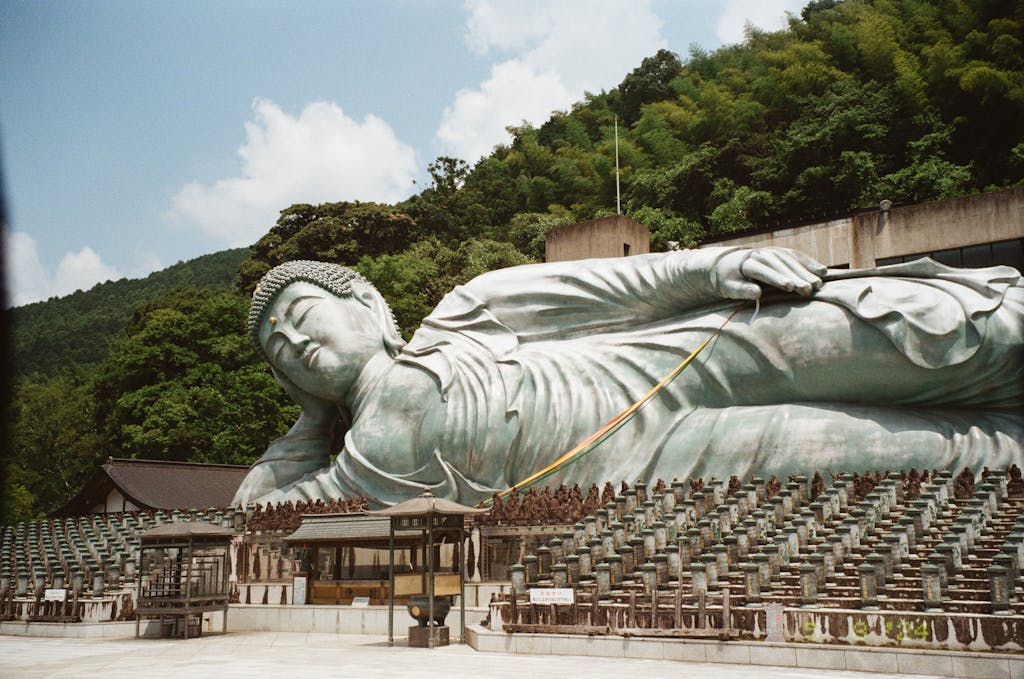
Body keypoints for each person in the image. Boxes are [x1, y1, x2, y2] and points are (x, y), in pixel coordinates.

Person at [232, 246, 1024, 507]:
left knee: (937, 333)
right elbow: (249, 515)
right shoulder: (351, 473)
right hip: (647, 464)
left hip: (667, 355)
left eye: (300, 312)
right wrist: (308, 421)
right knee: (922, 454)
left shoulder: (465, 313)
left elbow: (610, 286)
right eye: (275, 348)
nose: (290, 336)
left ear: (368, 303)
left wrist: (714, 264)